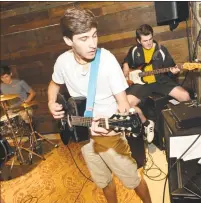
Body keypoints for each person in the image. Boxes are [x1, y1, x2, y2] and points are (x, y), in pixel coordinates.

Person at [47, 7, 152, 203]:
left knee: (133, 179)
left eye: (94, 36)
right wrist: (51, 102)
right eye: (84, 38)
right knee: (103, 182)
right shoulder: (62, 62)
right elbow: (54, 83)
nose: (92, 43)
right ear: (69, 41)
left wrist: (115, 128)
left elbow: (123, 103)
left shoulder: (107, 61)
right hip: (84, 135)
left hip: (110, 132)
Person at [122, 24, 191, 138]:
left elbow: (171, 68)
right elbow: (127, 59)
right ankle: (147, 124)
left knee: (185, 96)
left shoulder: (161, 50)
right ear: (138, 41)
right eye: (145, 41)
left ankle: (186, 128)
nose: (149, 43)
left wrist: (174, 71)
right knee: (126, 106)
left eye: (150, 39)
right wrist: (125, 64)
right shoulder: (134, 50)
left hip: (160, 81)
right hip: (141, 84)